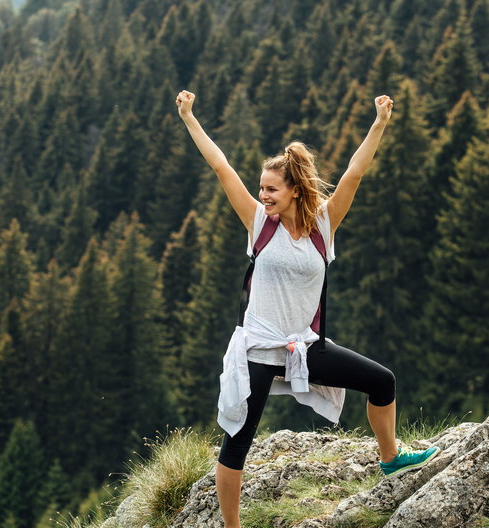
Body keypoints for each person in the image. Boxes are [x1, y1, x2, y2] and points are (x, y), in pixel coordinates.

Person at [175, 89, 440, 527]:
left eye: (272, 189)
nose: (263, 195)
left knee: (383, 382)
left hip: (303, 345)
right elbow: (220, 167)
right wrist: (189, 118)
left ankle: (390, 456)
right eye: (261, 188)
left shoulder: (323, 227)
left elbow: (354, 173)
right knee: (238, 442)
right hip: (260, 348)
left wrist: (378, 125)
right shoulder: (259, 223)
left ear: (295, 191)